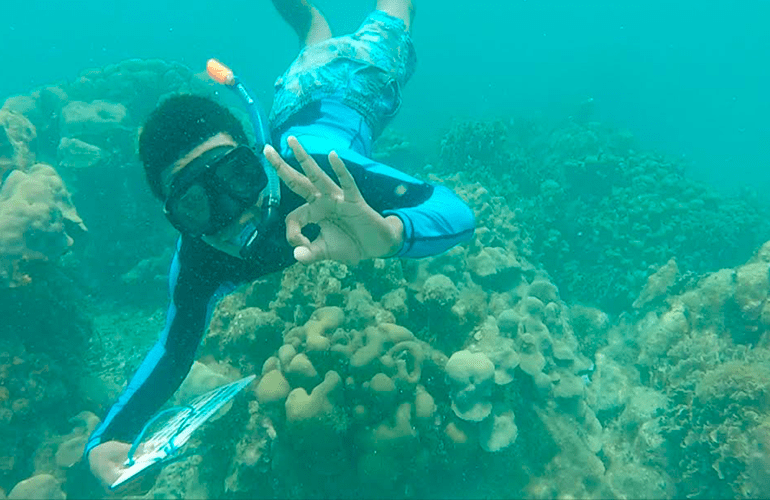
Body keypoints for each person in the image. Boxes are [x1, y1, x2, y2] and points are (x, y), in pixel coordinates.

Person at [85, 0, 475, 488]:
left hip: (358, 82)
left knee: (392, 17)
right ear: (176, 220)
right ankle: (309, 17)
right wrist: (109, 438)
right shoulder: (196, 262)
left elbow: (458, 213)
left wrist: (391, 233)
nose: (235, 213)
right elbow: (172, 350)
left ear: (258, 161)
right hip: (293, 94)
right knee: (314, 33)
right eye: (198, 206)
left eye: (238, 177)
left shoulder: (314, 175)